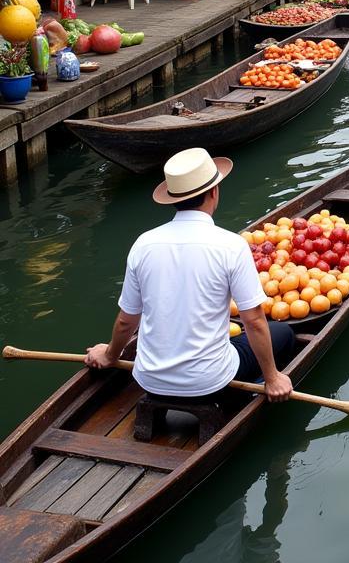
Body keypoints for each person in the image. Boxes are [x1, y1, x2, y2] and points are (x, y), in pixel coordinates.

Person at [84, 148, 295, 403]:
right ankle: (251, 389)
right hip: (210, 382)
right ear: (214, 192)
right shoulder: (231, 245)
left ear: (173, 199)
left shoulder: (143, 243)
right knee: (282, 333)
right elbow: (254, 321)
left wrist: (109, 355)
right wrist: (273, 378)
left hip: (149, 381)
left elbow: (127, 322)